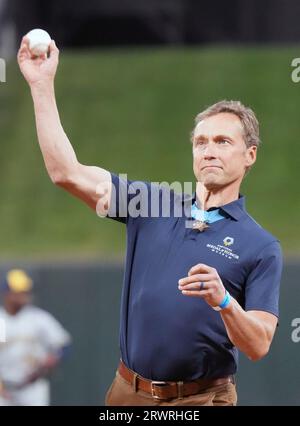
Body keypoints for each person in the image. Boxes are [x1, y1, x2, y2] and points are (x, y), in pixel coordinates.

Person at [17, 36, 282, 406]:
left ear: (249, 154)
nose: (208, 151)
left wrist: (224, 301)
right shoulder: (153, 203)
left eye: (222, 141)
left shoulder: (261, 245)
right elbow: (66, 173)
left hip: (202, 399)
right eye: (200, 142)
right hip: (128, 393)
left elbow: (258, 344)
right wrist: (41, 85)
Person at [0, 269, 71, 406]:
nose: (24, 295)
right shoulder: (1, 320)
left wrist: (54, 358)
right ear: (7, 294)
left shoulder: (37, 318)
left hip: (32, 387)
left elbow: (64, 345)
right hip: (4, 388)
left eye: (26, 291)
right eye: (19, 292)